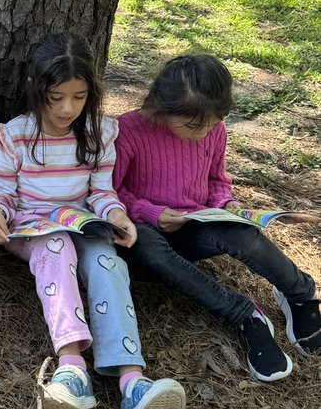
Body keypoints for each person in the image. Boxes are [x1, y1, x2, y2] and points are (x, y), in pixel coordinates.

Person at [0, 32, 186, 409]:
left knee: (106, 261)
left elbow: (101, 191)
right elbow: (5, 193)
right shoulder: (15, 135)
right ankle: (72, 367)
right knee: (57, 247)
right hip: (34, 228)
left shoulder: (97, 133)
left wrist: (118, 216)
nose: (67, 108)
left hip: (83, 221)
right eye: (57, 97)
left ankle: (132, 379)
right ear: (36, 89)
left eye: (78, 97)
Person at [114, 54, 319, 380]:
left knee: (240, 232)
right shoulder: (127, 130)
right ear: (163, 108)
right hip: (143, 230)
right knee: (149, 247)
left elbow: (216, 182)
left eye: (213, 122)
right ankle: (245, 315)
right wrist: (151, 213)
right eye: (195, 125)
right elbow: (110, 192)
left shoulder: (214, 130)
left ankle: (299, 293)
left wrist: (227, 203)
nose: (205, 131)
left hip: (194, 227)